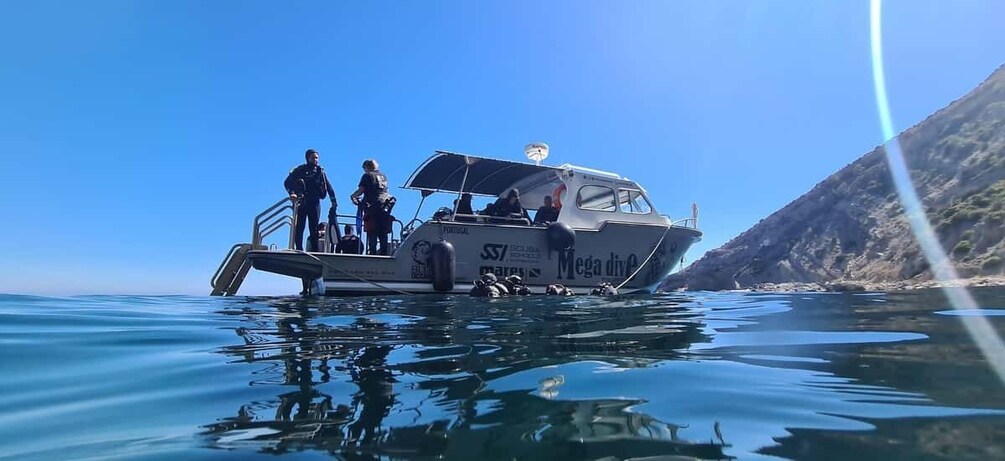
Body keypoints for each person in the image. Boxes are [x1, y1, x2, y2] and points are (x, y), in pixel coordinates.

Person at [284, 148, 337, 251]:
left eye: (317, 158)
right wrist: (292, 193)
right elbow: (287, 183)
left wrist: (334, 201)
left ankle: (314, 249)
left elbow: (329, 187)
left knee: (314, 228)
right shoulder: (300, 170)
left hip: (315, 203)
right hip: (302, 202)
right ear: (308, 158)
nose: (315, 160)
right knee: (300, 227)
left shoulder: (320, 172)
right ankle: (298, 248)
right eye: (313, 158)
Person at [350, 159, 394, 255]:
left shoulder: (367, 176)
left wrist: (353, 196)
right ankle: (384, 255)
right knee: (383, 235)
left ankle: (372, 254)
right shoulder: (384, 177)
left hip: (372, 210)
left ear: (367, 167)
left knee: (372, 234)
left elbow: (361, 190)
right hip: (384, 209)